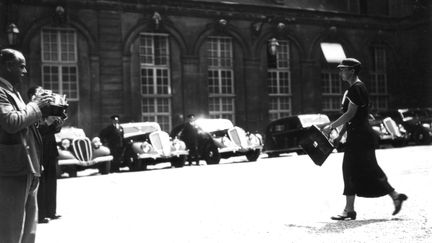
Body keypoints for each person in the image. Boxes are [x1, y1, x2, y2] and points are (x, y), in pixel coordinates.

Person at [322, 58, 408, 220]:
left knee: (351, 169)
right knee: (367, 169)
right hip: (359, 135)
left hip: (361, 137)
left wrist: (332, 126)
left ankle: (349, 210)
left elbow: (350, 114)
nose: (340, 72)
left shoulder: (357, 88)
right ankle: (394, 197)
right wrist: (340, 135)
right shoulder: (353, 89)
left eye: (343, 69)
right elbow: (353, 118)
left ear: (352, 71)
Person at [0, 49, 53, 243]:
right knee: (11, 229)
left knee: (28, 229)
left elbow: (26, 125)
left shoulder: (12, 92)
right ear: (7, 66)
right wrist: (35, 106)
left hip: (27, 166)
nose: (25, 70)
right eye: (21, 65)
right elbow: (11, 122)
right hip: (12, 168)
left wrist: (48, 118)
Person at [27, 86, 64, 224]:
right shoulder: (31, 110)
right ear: (32, 97)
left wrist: (57, 124)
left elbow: (50, 131)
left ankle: (51, 211)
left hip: (50, 149)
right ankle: (41, 214)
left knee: (51, 182)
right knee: (41, 184)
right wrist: (48, 123)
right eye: (40, 93)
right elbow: (37, 131)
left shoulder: (48, 109)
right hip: (39, 150)